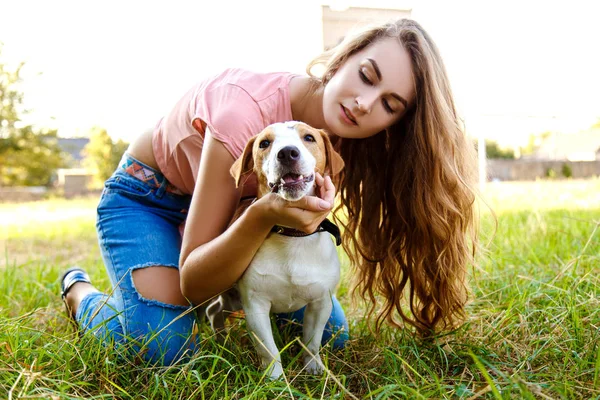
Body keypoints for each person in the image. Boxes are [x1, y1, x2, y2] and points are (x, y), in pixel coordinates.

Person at [60, 18, 479, 366]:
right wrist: (263, 215)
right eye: (367, 76)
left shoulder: (344, 142)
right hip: (148, 200)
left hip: (229, 221)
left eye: (390, 105)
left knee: (329, 337)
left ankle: (214, 301)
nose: (366, 103)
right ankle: (81, 294)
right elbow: (195, 281)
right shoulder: (244, 112)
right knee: (163, 348)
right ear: (342, 58)